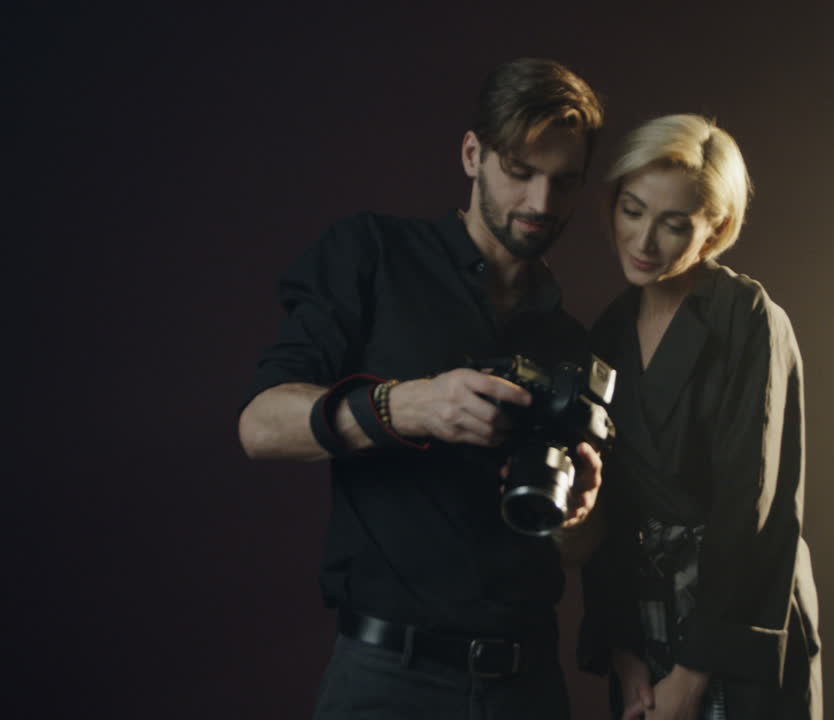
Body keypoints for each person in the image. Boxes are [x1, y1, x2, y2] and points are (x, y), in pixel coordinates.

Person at [237, 58, 605, 719]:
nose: (541, 203)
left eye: (564, 181)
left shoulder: (571, 342)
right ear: (472, 154)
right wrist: (409, 405)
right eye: (520, 171)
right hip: (387, 678)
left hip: (528, 685)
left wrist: (577, 513)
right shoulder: (373, 254)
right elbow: (260, 426)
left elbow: (575, 552)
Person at [578, 114, 822, 719]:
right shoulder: (608, 331)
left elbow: (754, 511)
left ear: (716, 226)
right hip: (641, 619)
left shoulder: (748, 319)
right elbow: (606, 508)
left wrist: (691, 677)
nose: (643, 241)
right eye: (632, 211)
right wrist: (624, 652)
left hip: (732, 622)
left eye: (674, 223)